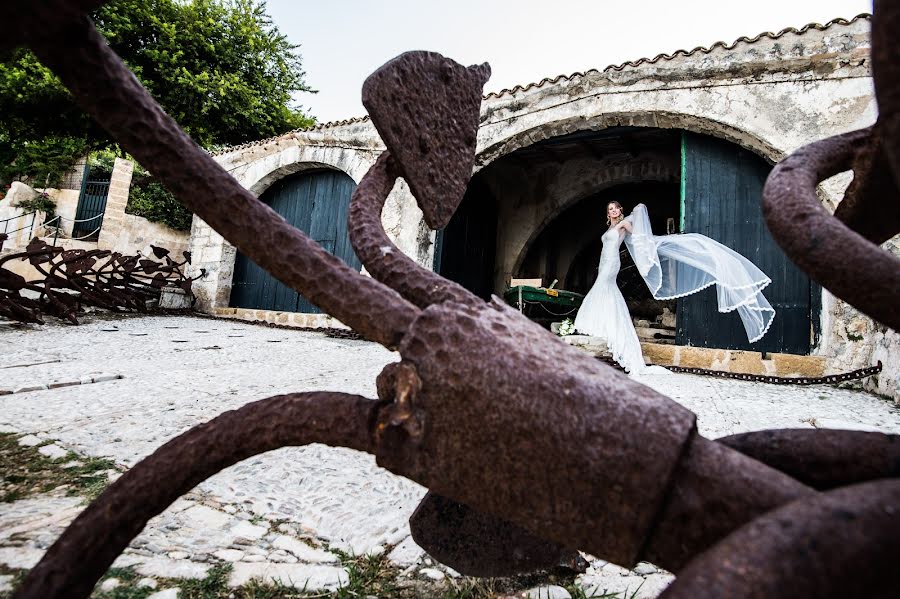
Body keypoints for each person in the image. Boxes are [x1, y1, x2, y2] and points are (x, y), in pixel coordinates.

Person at [573, 201, 775, 374]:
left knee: (605, 288)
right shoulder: (609, 228)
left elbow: (641, 237)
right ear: (608, 214)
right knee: (602, 289)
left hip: (612, 264)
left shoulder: (624, 224)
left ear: (620, 210)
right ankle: (601, 323)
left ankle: (605, 326)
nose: (613, 211)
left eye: (616, 208)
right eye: (610, 209)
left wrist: (649, 245)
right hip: (605, 261)